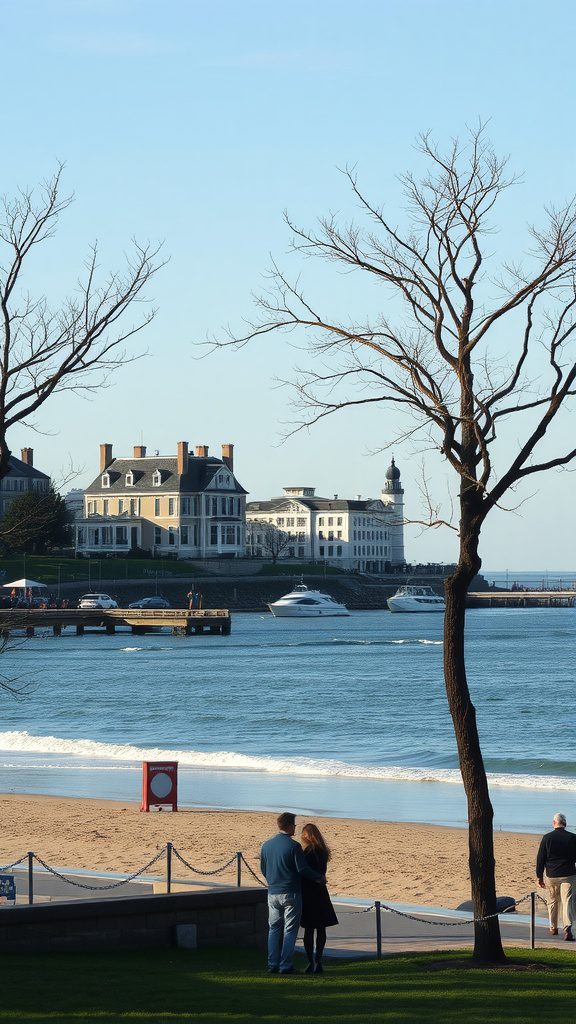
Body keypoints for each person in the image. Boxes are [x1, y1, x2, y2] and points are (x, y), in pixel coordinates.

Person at [260, 812, 324, 975]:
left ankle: (272, 963)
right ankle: (285, 964)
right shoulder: (294, 846)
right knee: (290, 929)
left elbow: (263, 869)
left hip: (273, 892)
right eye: (294, 825)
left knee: (274, 928)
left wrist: (272, 880)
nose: (295, 828)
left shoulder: (266, 845)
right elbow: (302, 869)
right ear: (289, 826)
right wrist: (318, 877)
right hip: (291, 892)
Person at [300, 822, 339, 974]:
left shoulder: (308, 852)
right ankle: (319, 960)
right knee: (321, 928)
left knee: (309, 929)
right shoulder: (323, 851)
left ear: (307, 836)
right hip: (321, 892)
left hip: (309, 892)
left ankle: (311, 961)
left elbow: (304, 871)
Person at [536, 812, 576, 940]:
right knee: (567, 901)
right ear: (565, 824)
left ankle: (553, 927)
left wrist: (539, 876)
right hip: (568, 874)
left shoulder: (547, 838)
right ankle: (567, 927)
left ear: (554, 823)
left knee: (552, 901)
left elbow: (540, 858)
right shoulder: (572, 838)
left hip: (552, 875)